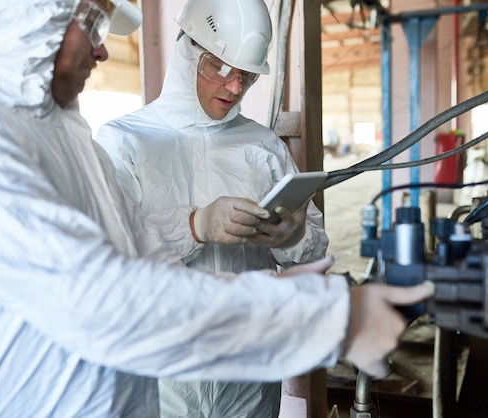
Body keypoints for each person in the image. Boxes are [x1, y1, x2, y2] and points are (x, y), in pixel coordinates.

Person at [0, 0, 434, 417]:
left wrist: (278, 273)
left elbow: (145, 261)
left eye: (245, 76)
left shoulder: (73, 144)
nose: (102, 49)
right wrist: (326, 317)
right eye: (92, 23)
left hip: (223, 375)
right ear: (32, 16)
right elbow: (103, 300)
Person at [95, 0, 328, 415]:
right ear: (186, 53)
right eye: (220, 67)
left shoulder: (263, 147)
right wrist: (195, 225)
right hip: (162, 376)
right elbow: (111, 253)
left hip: (250, 373)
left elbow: (315, 246)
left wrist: (291, 238)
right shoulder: (124, 141)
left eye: (247, 74)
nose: (235, 87)